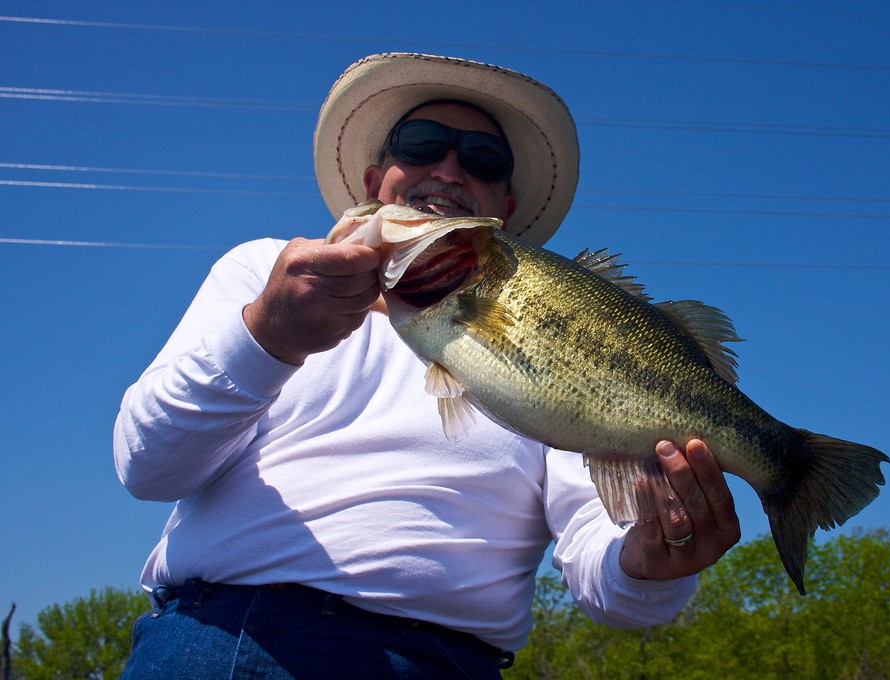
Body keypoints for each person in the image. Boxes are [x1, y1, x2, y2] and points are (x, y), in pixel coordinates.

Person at [114, 52, 740, 679]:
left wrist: (650, 564)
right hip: (231, 637)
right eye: (420, 144)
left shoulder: (554, 337)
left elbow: (603, 563)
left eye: (483, 159)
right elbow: (148, 464)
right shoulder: (265, 272)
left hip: (450, 663)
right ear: (373, 181)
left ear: (503, 210)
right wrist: (266, 337)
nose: (447, 168)